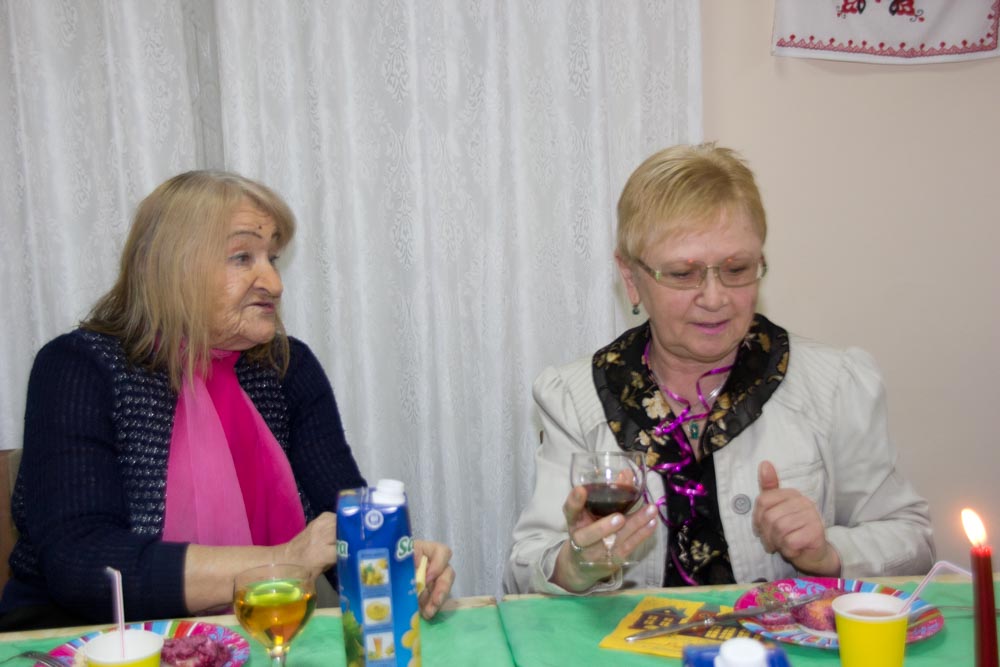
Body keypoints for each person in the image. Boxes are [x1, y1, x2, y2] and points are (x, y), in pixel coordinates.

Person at [0, 170, 455, 629]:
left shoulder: (286, 366)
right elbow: (83, 563)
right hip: (87, 640)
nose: (273, 283)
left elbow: (340, 522)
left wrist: (393, 565)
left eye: (272, 258)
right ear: (174, 267)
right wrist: (282, 561)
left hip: (264, 627)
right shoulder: (79, 367)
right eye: (242, 257)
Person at [504, 143, 934, 595]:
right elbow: (522, 571)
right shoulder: (576, 398)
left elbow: (914, 541)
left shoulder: (835, 384)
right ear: (631, 278)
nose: (714, 298)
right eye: (683, 274)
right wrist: (574, 566)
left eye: (737, 268)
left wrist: (828, 553)